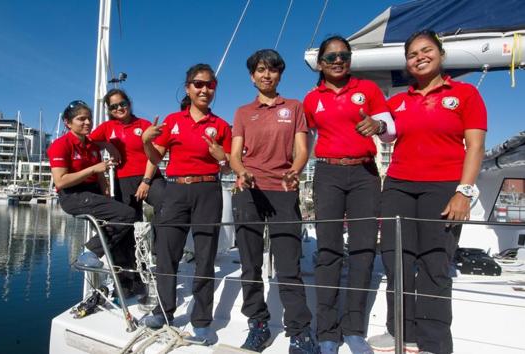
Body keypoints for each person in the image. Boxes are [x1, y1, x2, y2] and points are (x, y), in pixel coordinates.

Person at [367, 30, 486, 354]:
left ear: (441, 54)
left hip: (444, 186)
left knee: (435, 264)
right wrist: (373, 124)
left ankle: (434, 342)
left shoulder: (464, 95)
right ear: (407, 63)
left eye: (426, 50)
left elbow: (475, 146)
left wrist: (463, 192)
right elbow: (382, 127)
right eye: (412, 54)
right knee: (396, 262)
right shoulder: (398, 102)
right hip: (398, 186)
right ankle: (399, 332)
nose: (419, 57)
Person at [302, 36, 395, 354]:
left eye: (343, 55)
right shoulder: (312, 98)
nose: (337, 60)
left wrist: (378, 127)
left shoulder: (368, 90)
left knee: (363, 250)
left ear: (350, 59)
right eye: (330, 57)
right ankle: (326, 330)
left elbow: (390, 128)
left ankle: (354, 329)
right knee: (328, 251)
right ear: (321, 64)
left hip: (364, 174)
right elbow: (303, 140)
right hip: (327, 173)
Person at [230, 49, 316, 354]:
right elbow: (235, 154)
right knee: (250, 264)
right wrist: (242, 172)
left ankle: (300, 332)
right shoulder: (242, 113)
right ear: (252, 76)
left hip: (283, 190)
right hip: (249, 193)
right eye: (261, 70)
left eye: (273, 70)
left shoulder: (294, 107)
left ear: (280, 75)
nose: (267, 75)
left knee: (288, 265)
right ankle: (258, 325)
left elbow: (302, 149)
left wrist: (295, 171)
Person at [139, 64, 232, 346]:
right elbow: (155, 158)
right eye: (198, 84)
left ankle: (202, 321)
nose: (205, 90)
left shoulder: (221, 125)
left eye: (210, 85)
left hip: (208, 190)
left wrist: (221, 158)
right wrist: (145, 142)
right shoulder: (172, 120)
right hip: (176, 190)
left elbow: (227, 168)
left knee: (205, 258)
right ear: (188, 87)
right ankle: (163, 311)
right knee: (167, 255)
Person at [47, 100, 138, 294]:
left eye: (89, 118)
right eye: (81, 119)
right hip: (73, 196)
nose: (87, 122)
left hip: (93, 192)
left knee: (125, 231)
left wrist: (105, 190)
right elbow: (60, 181)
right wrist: (94, 168)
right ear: (67, 123)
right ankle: (89, 253)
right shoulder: (60, 145)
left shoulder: (92, 146)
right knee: (126, 214)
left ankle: (128, 283)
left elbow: (100, 175)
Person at [90, 89, 166, 223]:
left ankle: (157, 241)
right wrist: (107, 145)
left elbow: (155, 156)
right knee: (127, 220)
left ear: (129, 104)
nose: (119, 108)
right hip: (123, 180)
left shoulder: (144, 125)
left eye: (122, 103)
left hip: (150, 177)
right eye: (113, 106)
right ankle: (130, 244)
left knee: (166, 204)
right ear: (109, 110)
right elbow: (89, 142)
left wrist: (146, 181)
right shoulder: (107, 127)